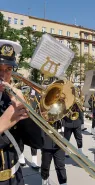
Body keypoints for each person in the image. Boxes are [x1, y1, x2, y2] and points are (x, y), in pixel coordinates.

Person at [0, 39, 44, 185]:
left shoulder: (10, 99)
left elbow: (37, 142)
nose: (3, 76)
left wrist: (26, 108)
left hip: (15, 178)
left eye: (8, 70)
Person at [41, 119, 67, 185]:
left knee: (60, 166)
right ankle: (45, 182)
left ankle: (63, 183)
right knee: (45, 166)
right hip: (46, 142)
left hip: (59, 143)